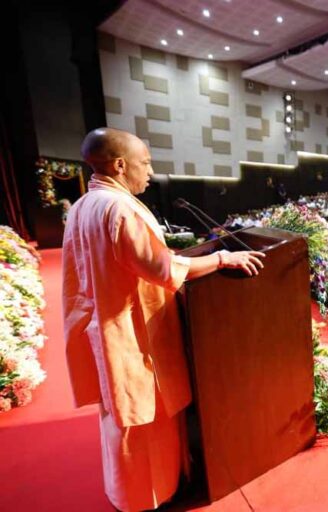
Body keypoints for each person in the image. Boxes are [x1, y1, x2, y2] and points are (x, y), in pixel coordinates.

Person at [62, 128, 265, 512]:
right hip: (132, 332)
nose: (151, 172)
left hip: (105, 325)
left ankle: (126, 492)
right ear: (119, 165)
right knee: (142, 417)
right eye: (145, 163)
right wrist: (222, 258)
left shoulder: (83, 205)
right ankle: (149, 497)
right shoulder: (120, 208)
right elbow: (162, 268)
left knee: (120, 414)